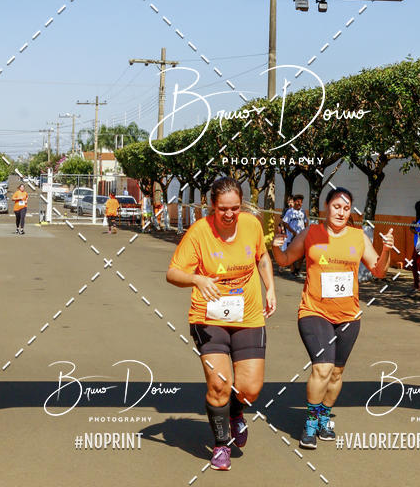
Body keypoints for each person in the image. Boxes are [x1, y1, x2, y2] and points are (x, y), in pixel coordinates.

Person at [167, 177, 276, 471]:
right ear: (212, 206)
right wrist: (197, 278)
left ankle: (236, 412)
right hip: (209, 317)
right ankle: (221, 444)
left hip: (249, 315)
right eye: (223, 209)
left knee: (249, 389)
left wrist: (270, 288)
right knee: (219, 384)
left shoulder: (251, 225)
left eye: (235, 208)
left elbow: (262, 256)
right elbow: (173, 273)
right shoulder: (199, 232)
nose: (229, 214)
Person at [272, 187, 394, 449]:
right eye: (336, 206)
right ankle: (311, 422)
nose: (341, 212)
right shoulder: (310, 233)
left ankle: (324, 415)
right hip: (314, 311)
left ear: (350, 212)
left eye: (346, 208)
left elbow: (379, 271)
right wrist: (275, 246)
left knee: (337, 373)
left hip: (349, 316)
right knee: (322, 368)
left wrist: (387, 250)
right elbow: (284, 260)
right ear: (326, 207)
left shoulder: (358, 236)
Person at [280, 194, 308, 277]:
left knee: (302, 255)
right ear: (295, 202)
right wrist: (293, 232)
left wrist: (306, 232)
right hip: (291, 237)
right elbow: (285, 223)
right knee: (291, 254)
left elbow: (306, 222)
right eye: (298, 202)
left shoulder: (303, 212)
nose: (300, 204)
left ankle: (297, 270)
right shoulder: (290, 212)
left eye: (301, 202)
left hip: (301, 237)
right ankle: (292, 271)